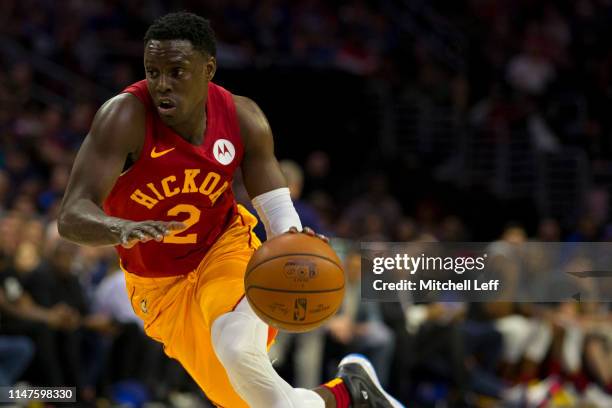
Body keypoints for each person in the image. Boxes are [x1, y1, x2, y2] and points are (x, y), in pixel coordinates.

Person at [58, 12, 403, 408]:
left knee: (238, 351)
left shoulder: (242, 117)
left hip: (223, 249)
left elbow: (274, 201)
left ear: (209, 69)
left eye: (176, 71)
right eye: (153, 71)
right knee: (249, 401)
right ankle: (348, 395)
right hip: (157, 283)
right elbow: (71, 215)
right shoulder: (124, 117)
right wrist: (118, 227)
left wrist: (291, 239)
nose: (161, 84)